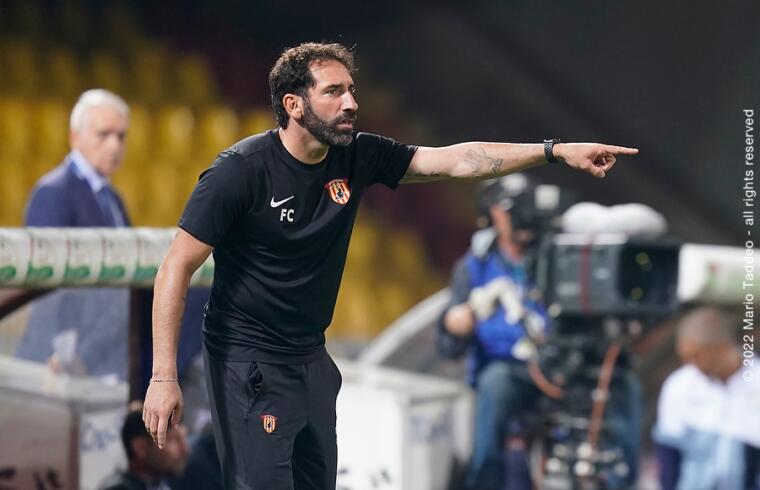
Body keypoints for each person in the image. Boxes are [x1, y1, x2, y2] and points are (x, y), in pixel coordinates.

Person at [142, 41, 638, 489]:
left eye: (352, 90)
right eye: (334, 91)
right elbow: (175, 267)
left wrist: (555, 152)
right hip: (247, 360)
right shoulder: (240, 172)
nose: (351, 103)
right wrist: (164, 376)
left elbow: (457, 160)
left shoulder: (358, 156)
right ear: (293, 105)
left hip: (310, 357)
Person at [15, 88, 207, 382]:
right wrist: (56, 352)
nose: (114, 145)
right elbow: (43, 284)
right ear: (74, 137)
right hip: (78, 338)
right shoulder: (54, 192)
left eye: (121, 136)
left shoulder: (112, 198)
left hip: (113, 328)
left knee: (193, 292)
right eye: (103, 135)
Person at [437, 175, 550, 489]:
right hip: (504, 370)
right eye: (510, 209)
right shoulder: (475, 266)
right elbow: (447, 345)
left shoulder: (555, 256)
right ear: (494, 214)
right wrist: (455, 323)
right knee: (496, 382)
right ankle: (485, 480)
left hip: (557, 365)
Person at [653, 306, 760, 490]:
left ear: (721, 348)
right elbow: (668, 455)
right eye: (685, 357)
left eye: (696, 356)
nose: (690, 364)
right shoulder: (680, 385)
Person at [98, 402, 189, 490]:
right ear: (141, 447)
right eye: (173, 440)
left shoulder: (160, 483)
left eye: (184, 438)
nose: (185, 450)